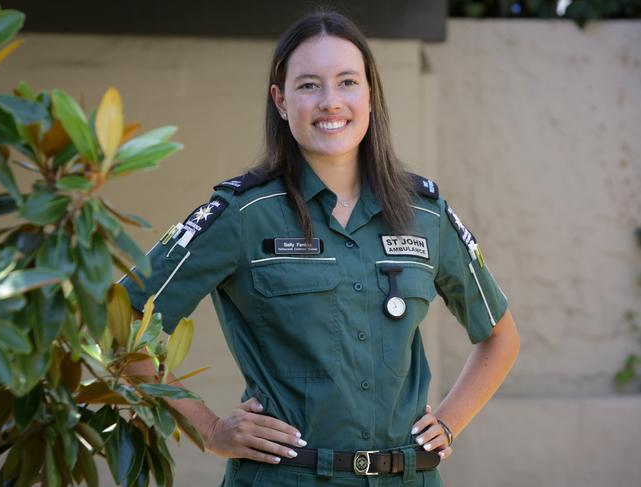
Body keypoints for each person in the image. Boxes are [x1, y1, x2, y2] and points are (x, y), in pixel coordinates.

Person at [123, 9, 520, 487]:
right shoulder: (243, 214)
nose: (331, 102)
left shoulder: (426, 213)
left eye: (347, 82)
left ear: (370, 95)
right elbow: (119, 323)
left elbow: (500, 337)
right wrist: (208, 429)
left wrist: (450, 421)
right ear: (282, 100)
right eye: (309, 85)